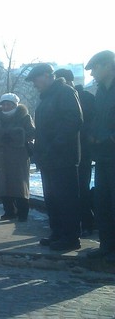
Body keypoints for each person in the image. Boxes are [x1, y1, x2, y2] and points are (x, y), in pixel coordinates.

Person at [25, 63, 83, 251]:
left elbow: (73, 120)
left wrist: (54, 145)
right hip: (49, 158)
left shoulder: (65, 92)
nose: (34, 84)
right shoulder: (47, 97)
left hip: (63, 157)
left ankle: (71, 237)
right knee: (52, 198)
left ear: (48, 75)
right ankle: (58, 232)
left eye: (36, 79)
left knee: (66, 198)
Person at [55, 68, 96, 237]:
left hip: (83, 150)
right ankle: (73, 223)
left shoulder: (86, 97)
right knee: (68, 190)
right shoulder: (58, 98)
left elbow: (91, 122)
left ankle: (87, 223)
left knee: (81, 188)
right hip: (66, 151)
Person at [84, 50, 115, 263]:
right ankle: (106, 246)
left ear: (107, 66)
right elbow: (98, 118)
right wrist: (92, 134)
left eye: (95, 68)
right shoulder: (102, 91)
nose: (92, 73)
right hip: (103, 157)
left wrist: (107, 138)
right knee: (103, 202)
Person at [0, 93, 35, 222]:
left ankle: (23, 212)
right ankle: (9, 211)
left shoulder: (24, 117)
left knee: (20, 183)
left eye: (8, 104)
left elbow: (31, 133)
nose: (5, 106)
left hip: (19, 156)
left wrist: (16, 135)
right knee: (3, 183)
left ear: (15, 105)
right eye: (3, 104)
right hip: (1, 155)